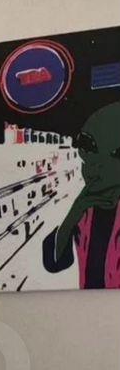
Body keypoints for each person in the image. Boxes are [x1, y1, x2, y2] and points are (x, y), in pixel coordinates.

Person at [43, 101, 120, 288]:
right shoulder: (87, 209)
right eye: (86, 163)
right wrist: (75, 211)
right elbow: (55, 262)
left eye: (99, 164)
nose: (90, 172)